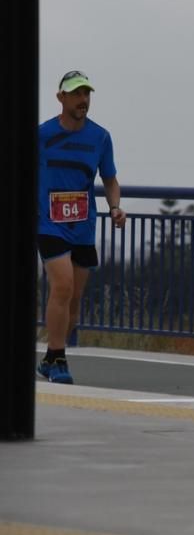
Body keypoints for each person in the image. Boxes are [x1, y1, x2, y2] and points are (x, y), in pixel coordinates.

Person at [36, 71, 126, 384]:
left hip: (83, 225)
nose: (83, 100)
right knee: (61, 286)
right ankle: (59, 360)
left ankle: (50, 356)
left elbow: (110, 179)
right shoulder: (42, 135)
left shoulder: (100, 137)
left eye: (87, 94)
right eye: (76, 94)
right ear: (61, 97)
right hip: (49, 223)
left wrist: (115, 207)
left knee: (73, 300)